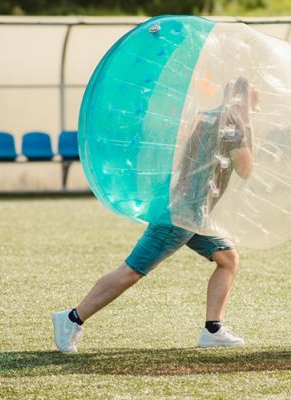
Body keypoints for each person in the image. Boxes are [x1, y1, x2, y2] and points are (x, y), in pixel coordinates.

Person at [52, 77, 258, 352]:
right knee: (131, 272)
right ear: (241, 97)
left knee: (227, 258)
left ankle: (213, 329)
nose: (258, 102)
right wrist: (249, 130)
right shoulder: (233, 124)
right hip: (180, 215)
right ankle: (72, 318)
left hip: (191, 211)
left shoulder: (210, 117)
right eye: (255, 96)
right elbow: (245, 169)